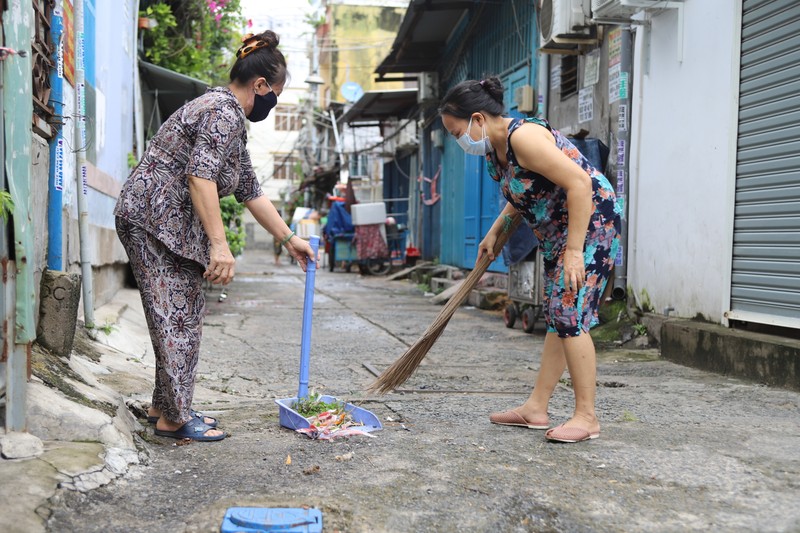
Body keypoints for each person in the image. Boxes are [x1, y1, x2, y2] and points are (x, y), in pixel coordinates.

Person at [114, 31, 315, 442]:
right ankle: (173, 419)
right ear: (260, 86)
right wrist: (220, 246)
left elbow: (250, 190)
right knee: (175, 316)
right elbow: (199, 176)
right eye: (274, 94)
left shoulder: (228, 118)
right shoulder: (221, 111)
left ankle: (166, 407)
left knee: (181, 313)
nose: (272, 102)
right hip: (152, 220)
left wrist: (288, 237)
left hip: (162, 222)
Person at [438, 77, 622, 443]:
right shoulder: (495, 148)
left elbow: (580, 184)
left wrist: (573, 252)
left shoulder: (524, 137)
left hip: (590, 223)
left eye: (457, 131)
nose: (459, 141)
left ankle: (587, 417)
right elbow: (524, 192)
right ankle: (536, 408)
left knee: (570, 312)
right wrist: (496, 231)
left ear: (477, 119)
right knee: (557, 314)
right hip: (557, 230)